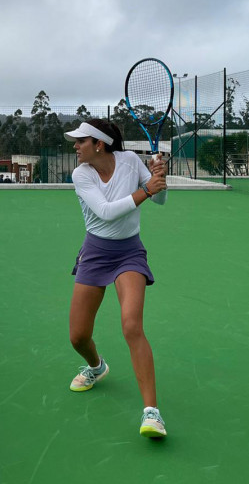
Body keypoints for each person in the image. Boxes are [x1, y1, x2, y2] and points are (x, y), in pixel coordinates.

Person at [63, 118, 169, 438]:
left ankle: (152, 414)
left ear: (99, 144)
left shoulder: (130, 161)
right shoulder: (81, 174)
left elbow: (159, 198)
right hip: (95, 252)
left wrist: (158, 178)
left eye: (81, 141)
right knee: (78, 337)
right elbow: (106, 211)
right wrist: (146, 190)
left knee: (132, 325)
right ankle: (97, 367)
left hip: (129, 253)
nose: (75, 146)